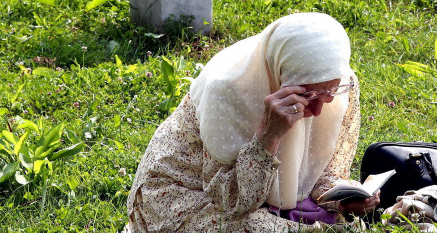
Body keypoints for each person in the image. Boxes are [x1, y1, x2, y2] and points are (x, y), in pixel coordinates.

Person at [125, 13, 377, 232]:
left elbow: (323, 175)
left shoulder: (338, 82)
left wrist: (344, 199)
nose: (319, 109)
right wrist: (269, 135)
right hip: (188, 193)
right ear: (279, 73)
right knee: (255, 228)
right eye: (307, 95)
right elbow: (233, 202)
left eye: (330, 93)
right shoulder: (226, 90)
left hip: (251, 197)